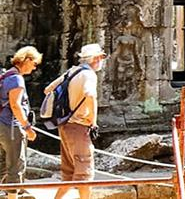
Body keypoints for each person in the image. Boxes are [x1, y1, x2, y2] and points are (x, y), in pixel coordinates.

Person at [50, 43, 107, 199]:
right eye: (102, 57)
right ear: (95, 58)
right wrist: (92, 121)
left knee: (68, 173)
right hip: (79, 126)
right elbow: (90, 94)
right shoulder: (89, 75)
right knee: (85, 173)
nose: (102, 60)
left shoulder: (72, 71)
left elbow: (48, 89)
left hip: (65, 126)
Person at [0, 46, 42, 195]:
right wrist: (27, 127)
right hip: (11, 127)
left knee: (3, 165)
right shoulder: (16, 79)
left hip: (2, 125)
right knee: (16, 166)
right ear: (27, 59)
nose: (34, 68)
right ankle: (12, 197)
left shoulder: (6, 75)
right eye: (35, 63)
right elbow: (16, 105)